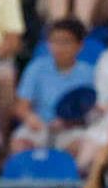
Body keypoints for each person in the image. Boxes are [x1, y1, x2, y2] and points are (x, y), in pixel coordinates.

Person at [11, 17, 97, 154]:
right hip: (39, 126)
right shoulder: (37, 67)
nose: (59, 47)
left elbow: (90, 111)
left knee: (82, 147)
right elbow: (21, 107)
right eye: (54, 41)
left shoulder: (89, 73)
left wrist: (68, 123)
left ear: (79, 46)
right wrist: (30, 118)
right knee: (19, 144)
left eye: (66, 42)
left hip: (71, 130)